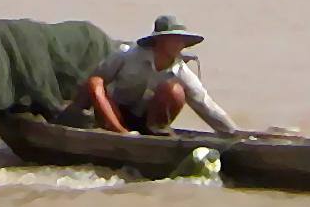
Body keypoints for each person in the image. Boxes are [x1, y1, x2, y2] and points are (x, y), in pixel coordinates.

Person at [79, 14, 237, 137]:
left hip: (147, 121)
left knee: (175, 91)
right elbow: (94, 82)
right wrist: (75, 113)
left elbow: (205, 105)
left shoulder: (181, 71)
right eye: (173, 39)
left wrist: (234, 134)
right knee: (95, 83)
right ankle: (122, 134)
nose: (178, 44)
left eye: (181, 40)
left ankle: (154, 135)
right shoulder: (127, 56)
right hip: (114, 115)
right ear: (159, 41)